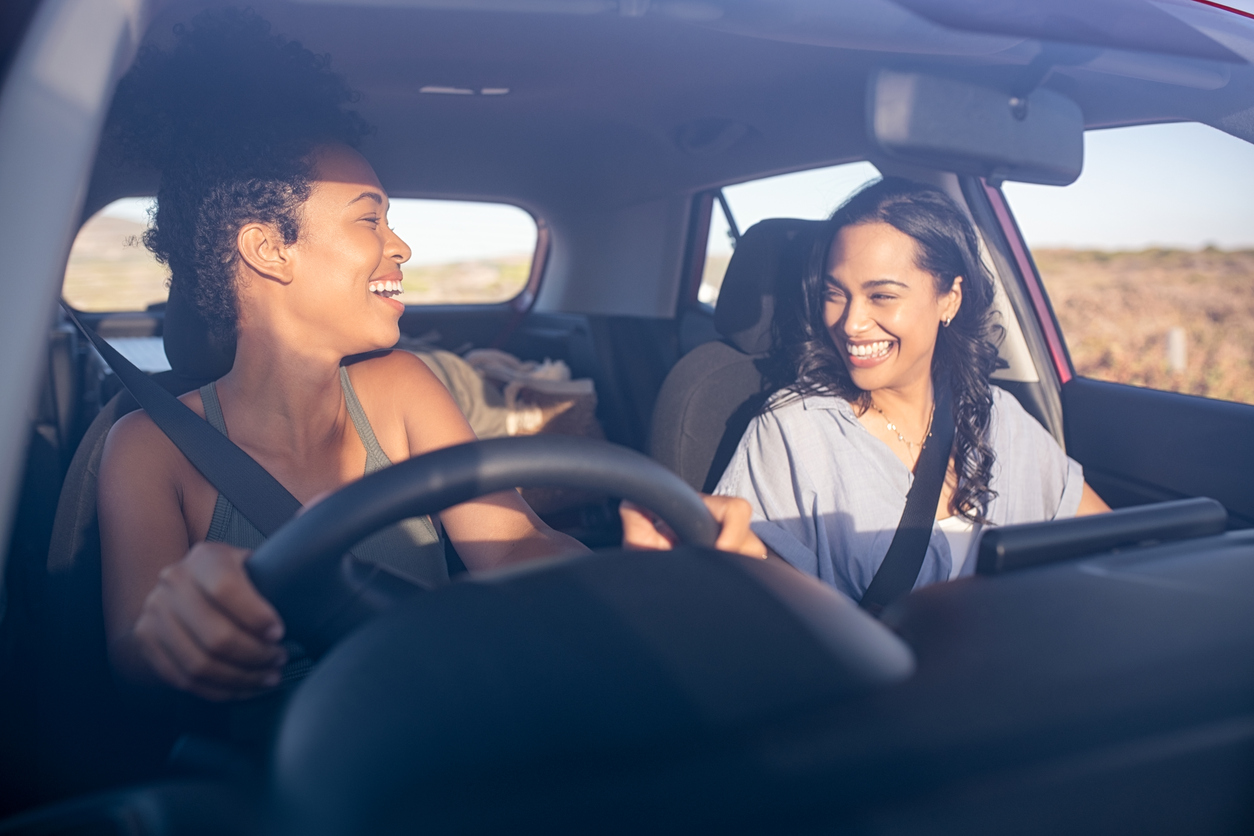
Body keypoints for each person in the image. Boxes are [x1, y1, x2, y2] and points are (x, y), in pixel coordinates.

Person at [98, 11, 762, 703]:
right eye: (369, 219)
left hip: (432, 728)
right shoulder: (145, 447)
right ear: (269, 249)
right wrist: (176, 627)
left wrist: (626, 574)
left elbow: (510, 545)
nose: (402, 247)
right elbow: (132, 652)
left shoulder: (404, 389)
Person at [714, 177, 1108, 602]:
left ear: (949, 299)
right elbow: (758, 601)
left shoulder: (999, 416)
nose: (850, 323)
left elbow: (1110, 543)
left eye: (881, 295)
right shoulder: (792, 431)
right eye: (835, 294)